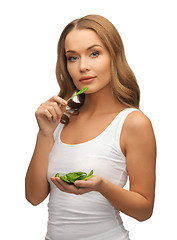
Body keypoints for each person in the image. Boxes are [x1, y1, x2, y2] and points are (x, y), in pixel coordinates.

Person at [25, 14, 156, 240]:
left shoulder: (133, 123)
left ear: (114, 56)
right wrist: (44, 134)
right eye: (72, 58)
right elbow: (34, 197)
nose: (83, 66)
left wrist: (101, 186)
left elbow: (144, 210)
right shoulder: (60, 119)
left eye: (94, 53)